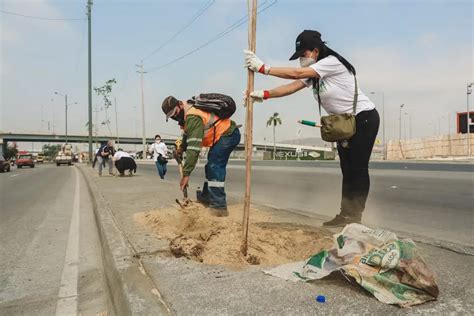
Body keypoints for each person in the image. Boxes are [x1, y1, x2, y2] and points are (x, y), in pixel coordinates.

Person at [244, 30, 380, 227]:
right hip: (344, 123)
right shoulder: (314, 74)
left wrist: (264, 68)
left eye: (303, 54)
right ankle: (345, 214)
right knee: (347, 169)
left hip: (364, 118)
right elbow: (291, 86)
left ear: (316, 51)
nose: (301, 59)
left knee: (357, 169)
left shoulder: (331, 62)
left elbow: (297, 73)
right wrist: (264, 94)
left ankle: (355, 218)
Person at [161, 95, 240, 216]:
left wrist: (186, 174)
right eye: (171, 116)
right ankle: (208, 196)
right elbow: (187, 134)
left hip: (228, 134)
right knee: (210, 166)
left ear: (180, 105)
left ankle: (219, 206)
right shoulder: (188, 115)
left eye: (175, 112)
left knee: (215, 165)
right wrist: (181, 148)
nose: (174, 117)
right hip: (220, 137)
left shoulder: (192, 116)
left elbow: (194, 149)